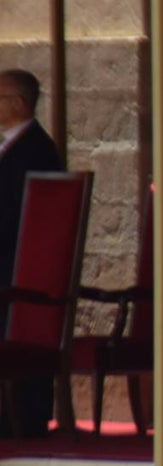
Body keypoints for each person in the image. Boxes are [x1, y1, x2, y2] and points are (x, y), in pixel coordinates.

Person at [0, 69, 63, 438]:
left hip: (17, 270)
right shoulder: (12, 146)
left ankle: (20, 414)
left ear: (18, 103)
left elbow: (17, 215)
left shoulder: (35, 151)